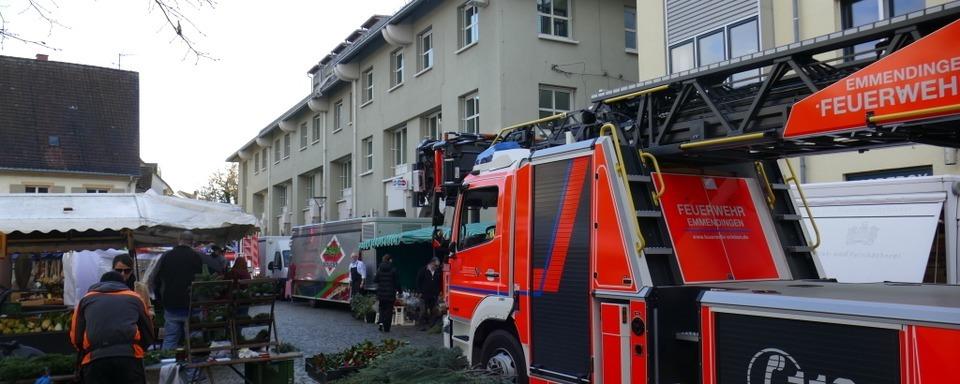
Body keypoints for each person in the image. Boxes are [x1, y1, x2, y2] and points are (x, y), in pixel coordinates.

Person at [70, 271, 154, 384]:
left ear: (100, 283)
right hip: (129, 358)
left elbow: (76, 337)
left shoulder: (85, 300)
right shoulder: (134, 298)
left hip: (95, 360)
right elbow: (148, 331)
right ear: (122, 284)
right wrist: (138, 348)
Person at [152, 231, 203, 350]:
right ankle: (193, 367)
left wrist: (160, 299)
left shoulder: (166, 256)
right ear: (192, 242)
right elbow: (203, 281)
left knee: (170, 338)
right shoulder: (197, 257)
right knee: (194, 340)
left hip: (171, 304)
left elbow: (155, 279)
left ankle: (168, 366)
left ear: (178, 240)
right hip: (192, 305)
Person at [374, 254, 401, 333]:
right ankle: (387, 327)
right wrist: (400, 291)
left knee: (382, 308)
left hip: (381, 293)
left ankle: (381, 322)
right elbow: (397, 282)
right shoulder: (393, 269)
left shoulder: (379, 269)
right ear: (390, 260)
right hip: (390, 294)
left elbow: (375, 280)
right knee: (389, 310)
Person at [415, 257, 443, 330]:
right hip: (424, 294)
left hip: (434, 295)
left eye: (437, 266)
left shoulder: (437, 272)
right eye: (436, 265)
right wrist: (419, 292)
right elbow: (418, 282)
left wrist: (439, 292)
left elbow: (439, 283)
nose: (437, 267)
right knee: (423, 311)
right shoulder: (423, 270)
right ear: (432, 263)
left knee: (434, 311)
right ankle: (421, 325)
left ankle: (432, 325)